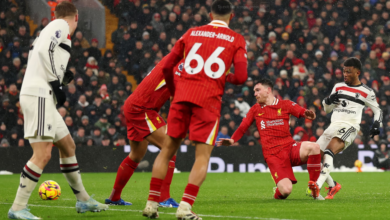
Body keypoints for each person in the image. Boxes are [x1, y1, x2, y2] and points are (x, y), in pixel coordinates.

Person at [142, 0, 248, 219]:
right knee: (202, 156)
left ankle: (151, 204)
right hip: (207, 101)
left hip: (182, 97)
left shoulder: (191, 33)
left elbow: (167, 66)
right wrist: (221, 76)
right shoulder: (236, 39)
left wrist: (174, 91)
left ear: (210, 14)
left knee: (167, 150)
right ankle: (184, 208)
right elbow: (241, 77)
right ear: (232, 16)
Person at [8, 2, 108, 219]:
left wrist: (61, 77)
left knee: (68, 145)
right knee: (42, 154)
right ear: (76, 17)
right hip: (40, 94)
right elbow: (45, 51)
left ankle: (83, 200)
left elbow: (42, 55)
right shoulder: (61, 25)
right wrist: (55, 82)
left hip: (42, 94)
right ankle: (17, 208)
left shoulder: (50, 30)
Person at [217, 78, 322, 200]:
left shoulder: (285, 104)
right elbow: (242, 127)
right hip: (273, 154)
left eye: (257, 90)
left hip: (290, 147)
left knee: (314, 147)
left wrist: (310, 114)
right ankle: (278, 191)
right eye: (254, 91)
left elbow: (303, 111)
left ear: (268, 90)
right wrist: (232, 140)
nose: (255, 94)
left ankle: (313, 186)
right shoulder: (255, 109)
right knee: (286, 191)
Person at [105, 54, 182, 208]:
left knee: (136, 155)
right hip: (142, 108)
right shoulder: (181, 64)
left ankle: (114, 197)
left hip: (135, 105)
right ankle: (163, 198)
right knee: (170, 147)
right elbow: (176, 95)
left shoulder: (173, 59)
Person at [314, 57, 383, 199]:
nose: (345, 74)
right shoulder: (338, 87)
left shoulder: (367, 92)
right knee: (314, 157)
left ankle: (317, 185)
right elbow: (327, 109)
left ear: (358, 72)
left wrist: (376, 124)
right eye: (344, 71)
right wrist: (327, 101)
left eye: (348, 72)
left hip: (349, 127)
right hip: (332, 126)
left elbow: (378, 111)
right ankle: (333, 185)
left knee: (328, 152)